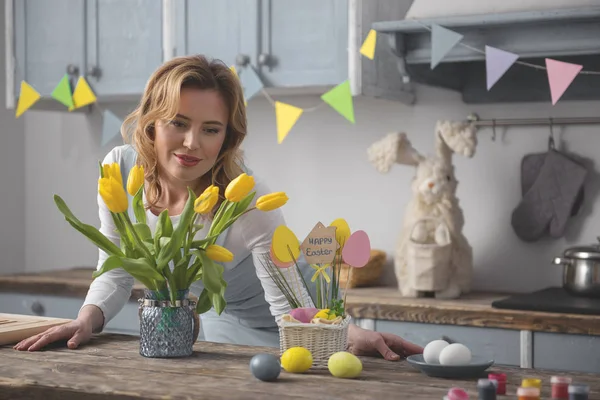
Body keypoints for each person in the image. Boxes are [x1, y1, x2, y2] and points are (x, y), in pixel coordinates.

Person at [14, 55, 423, 360]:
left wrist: (345, 335)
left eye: (210, 129)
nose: (193, 143)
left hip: (297, 310)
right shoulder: (119, 169)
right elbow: (115, 268)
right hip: (221, 318)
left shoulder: (245, 198)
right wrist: (85, 320)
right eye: (178, 122)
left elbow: (289, 305)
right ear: (152, 123)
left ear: (227, 138)